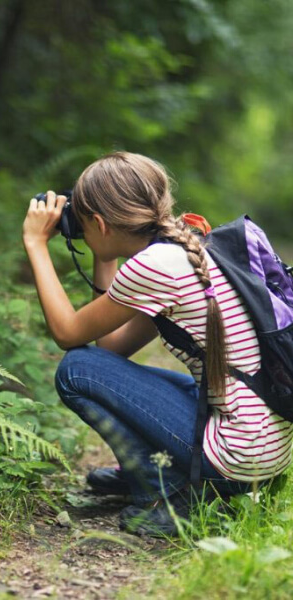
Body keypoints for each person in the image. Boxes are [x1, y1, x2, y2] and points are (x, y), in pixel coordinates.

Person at [22, 151, 293, 536]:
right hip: (265, 448)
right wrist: (105, 253)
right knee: (127, 375)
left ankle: (163, 492)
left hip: (240, 454)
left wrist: (36, 244)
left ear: (98, 222)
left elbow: (69, 335)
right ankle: (167, 469)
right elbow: (113, 349)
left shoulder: (154, 266)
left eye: (85, 224)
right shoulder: (186, 247)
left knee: (75, 369)